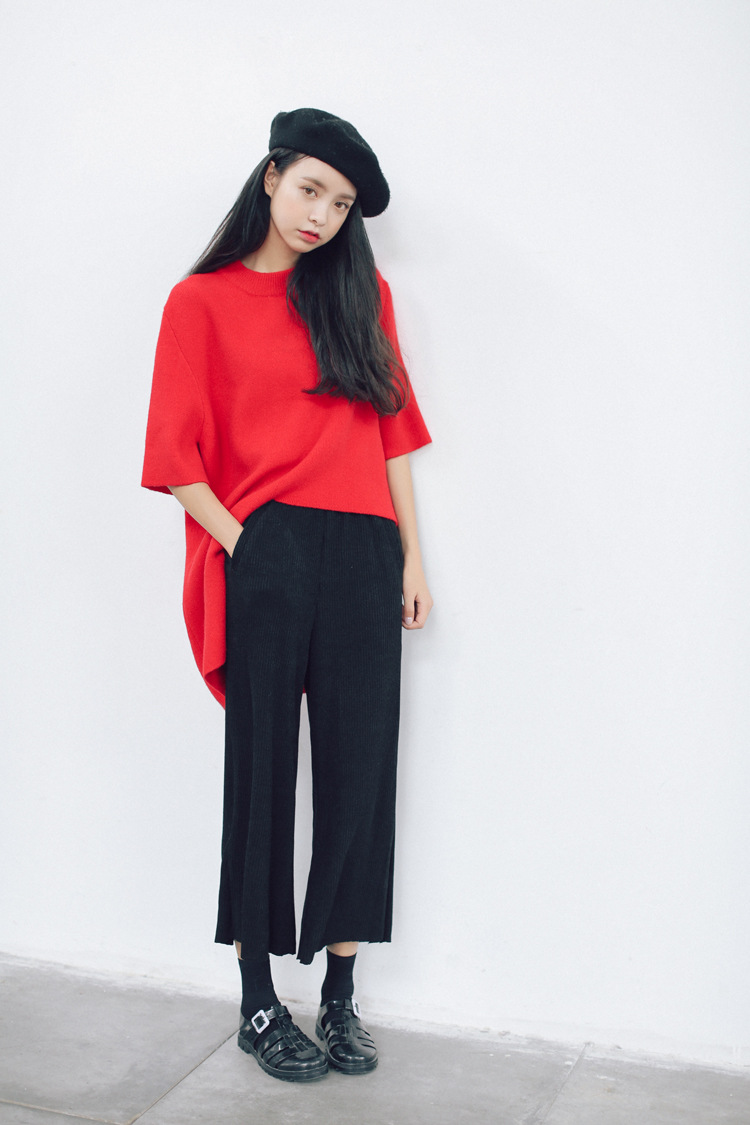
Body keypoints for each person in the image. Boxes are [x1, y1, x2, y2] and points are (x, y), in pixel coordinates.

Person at [141, 107, 432, 1083]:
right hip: (263, 546)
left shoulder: (362, 294)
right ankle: (259, 1000)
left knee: (361, 776)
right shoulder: (200, 302)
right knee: (261, 774)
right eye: (311, 189)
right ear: (271, 177)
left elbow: (391, 435)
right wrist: (248, 546)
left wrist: (412, 559)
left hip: (363, 549)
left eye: (341, 204)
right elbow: (175, 456)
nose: (322, 215)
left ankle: (340, 994)